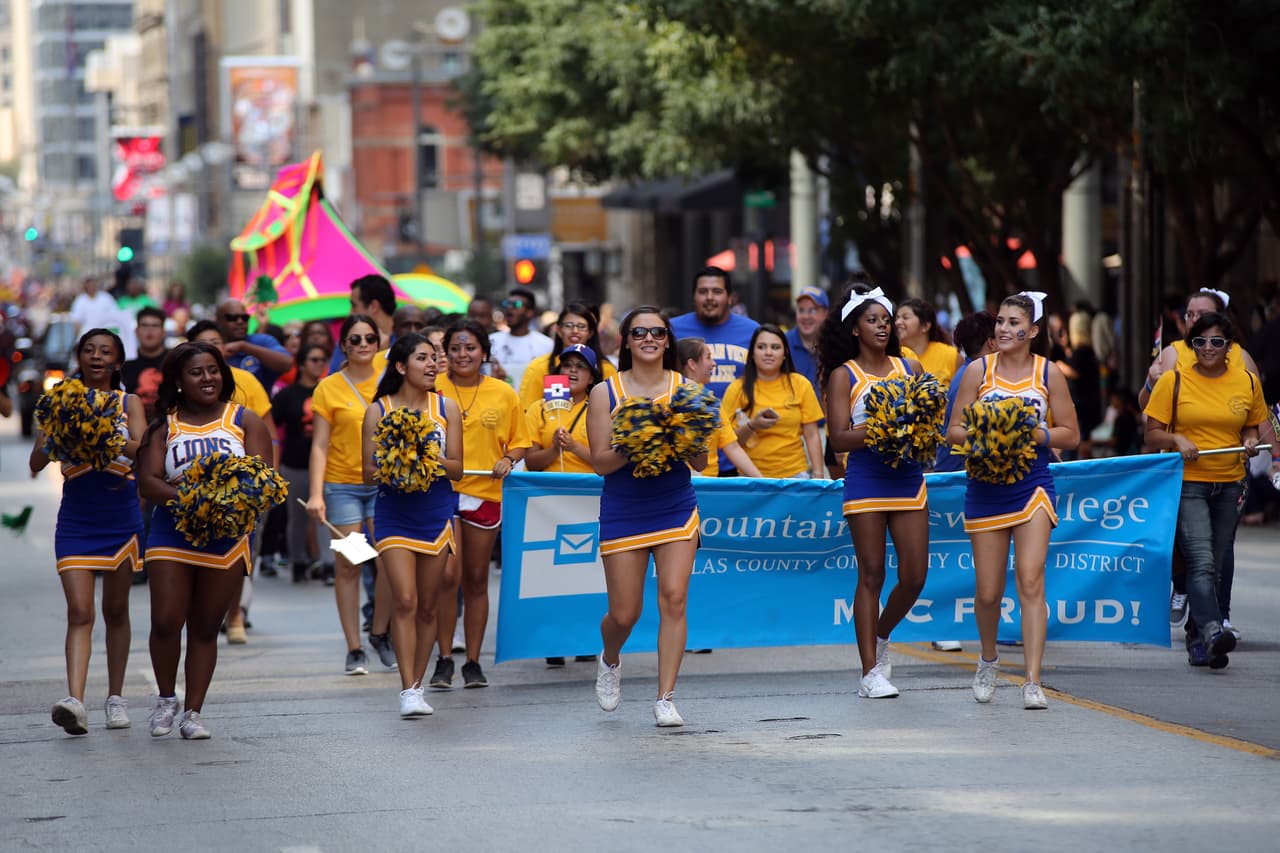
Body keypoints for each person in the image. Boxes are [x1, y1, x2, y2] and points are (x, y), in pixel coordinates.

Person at [946, 292, 1080, 710]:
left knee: (1030, 578)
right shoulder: (977, 371)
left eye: (1013, 322)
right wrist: (988, 434)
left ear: (1033, 331)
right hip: (985, 486)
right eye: (1000, 321)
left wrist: (1032, 433)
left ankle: (1032, 680)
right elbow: (952, 432)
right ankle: (988, 660)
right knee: (987, 593)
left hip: (1033, 484)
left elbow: (1071, 434)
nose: (1003, 329)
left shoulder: (1049, 372)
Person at [137, 342, 274, 739]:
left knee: (204, 627)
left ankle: (193, 712)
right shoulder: (165, 425)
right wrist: (192, 500)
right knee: (165, 621)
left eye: (213, 370)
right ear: (178, 382)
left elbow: (263, 478)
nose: (208, 378)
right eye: (197, 372)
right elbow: (148, 481)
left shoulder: (245, 420)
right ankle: (166, 699)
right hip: (172, 531)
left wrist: (227, 503)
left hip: (226, 538)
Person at [586, 306, 707, 727]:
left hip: (675, 504)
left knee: (674, 598)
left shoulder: (685, 387)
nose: (649, 338)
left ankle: (666, 697)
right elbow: (600, 462)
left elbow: (702, 460)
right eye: (640, 332)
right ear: (626, 340)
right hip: (624, 509)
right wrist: (639, 436)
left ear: (668, 340)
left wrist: (680, 433)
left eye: (658, 332)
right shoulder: (605, 392)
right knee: (625, 614)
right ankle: (610, 657)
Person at [31, 329, 145, 735]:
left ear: (117, 362)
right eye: (89, 350)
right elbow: (36, 460)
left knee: (116, 611)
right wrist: (60, 432)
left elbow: (143, 449)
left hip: (120, 515)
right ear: (79, 357)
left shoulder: (128, 402)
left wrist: (107, 433)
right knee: (80, 611)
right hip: (77, 519)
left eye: (106, 352)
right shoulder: (59, 401)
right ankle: (75, 701)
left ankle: (115, 698)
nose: (97, 357)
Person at [821, 287, 930, 698]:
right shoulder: (843, 375)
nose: (883, 326)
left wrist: (915, 429)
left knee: (915, 575)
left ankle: (881, 635)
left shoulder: (911, 367)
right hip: (866, 481)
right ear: (854, 329)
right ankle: (869, 671)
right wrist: (885, 425)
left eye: (886, 320)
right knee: (871, 574)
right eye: (873, 320)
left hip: (906, 478)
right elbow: (840, 438)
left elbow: (926, 425)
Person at [1143, 312, 1266, 670]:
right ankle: (1213, 630)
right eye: (1200, 342)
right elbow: (1152, 434)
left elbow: (1253, 427)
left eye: (1216, 342)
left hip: (1230, 483)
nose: (1208, 349)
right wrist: (1176, 437)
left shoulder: (1246, 381)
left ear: (1229, 347)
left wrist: (1249, 441)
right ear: (1190, 346)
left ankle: (1198, 637)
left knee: (1217, 562)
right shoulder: (1174, 382)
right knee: (1200, 561)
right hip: (1189, 482)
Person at [362, 334, 463, 717]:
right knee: (404, 600)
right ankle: (407, 689)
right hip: (394, 514)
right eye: (423, 358)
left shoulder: (446, 408)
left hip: (435, 513)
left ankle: (419, 685)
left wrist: (425, 456)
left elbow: (456, 468)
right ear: (401, 366)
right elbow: (367, 472)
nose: (433, 364)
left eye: (434, 358)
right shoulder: (379, 410)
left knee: (427, 607)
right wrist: (397, 462)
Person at [432, 320, 532, 688]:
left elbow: (521, 441)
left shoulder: (503, 393)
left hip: (485, 493)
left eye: (470, 348)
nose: (462, 355)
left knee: (475, 581)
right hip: (440, 492)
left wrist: (509, 459)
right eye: (455, 348)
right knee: (447, 578)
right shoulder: (431, 389)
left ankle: (472, 661)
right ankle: (444, 659)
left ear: (484, 353)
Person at [307, 315, 396, 674]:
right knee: (350, 564)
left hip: (384, 486)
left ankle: (379, 632)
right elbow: (320, 445)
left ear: (378, 342)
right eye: (355, 339)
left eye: (369, 339)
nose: (363, 345)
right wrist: (316, 494)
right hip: (342, 487)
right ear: (343, 345)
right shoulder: (328, 387)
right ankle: (354, 648)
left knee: (390, 560)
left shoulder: (390, 381)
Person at [187, 321, 280, 621]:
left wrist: (268, 481)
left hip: (241, 491)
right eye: (204, 343)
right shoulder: (178, 394)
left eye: (216, 342)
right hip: (191, 494)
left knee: (240, 552)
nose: (212, 349)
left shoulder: (246, 383)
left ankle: (236, 613)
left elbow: (269, 432)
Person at [720, 324, 824, 480]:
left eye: (775, 347)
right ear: (752, 353)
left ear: (785, 353)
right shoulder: (736, 389)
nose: (768, 353)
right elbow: (728, 443)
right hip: (750, 479)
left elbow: (812, 434)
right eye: (761, 347)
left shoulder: (800, 384)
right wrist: (752, 425)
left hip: (795, 476)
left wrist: (818, 475)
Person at [272, 343, 331, 583]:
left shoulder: (329, 391)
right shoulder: (288, 394)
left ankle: (328, 565)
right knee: (296, 517)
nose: (319, 365)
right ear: (302, 363)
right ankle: (298, 561)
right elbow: (272, 425)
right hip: (294, 464)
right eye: (314, 359)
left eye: (322, 360)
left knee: (324, 518)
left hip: (327, 464)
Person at [669, 266, 759, 400]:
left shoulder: (753, 331)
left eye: (717, 292)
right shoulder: (671, 329)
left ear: (730, 298)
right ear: (694, 296)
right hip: (683, 417)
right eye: (703, 292)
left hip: (740, 418)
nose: (709, 297)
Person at [676, 337, 761, 478]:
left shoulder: (711, 401)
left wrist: (763, 482)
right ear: (692, 364)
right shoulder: (670, 398)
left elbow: (732, 447)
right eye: (708, 358)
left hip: (709, 487)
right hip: (678, 488)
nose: (714, 364)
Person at [517, 301, 619, 410]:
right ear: (559, 330)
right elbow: (526, 412)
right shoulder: (539, 367)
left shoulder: (605, 369)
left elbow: (614, 412)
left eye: (581, 326)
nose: (575, 331)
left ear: (590, 333)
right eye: (569, 325)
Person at [524, 344, 599, 476]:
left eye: (580, 366)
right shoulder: (538, 408)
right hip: (546, 490)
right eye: (567, 365)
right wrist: (554, 449)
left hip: (589, 491)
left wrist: (574, 447)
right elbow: (530, 463)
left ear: (591, 378)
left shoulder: (600, 409)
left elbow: (607, 462)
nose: (573, 370)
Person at [214, 299, 292, 394]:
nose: (240, 321)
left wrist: (244, 347)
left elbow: (287, 364)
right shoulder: (210, 345)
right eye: (232, 318)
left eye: (245, 317)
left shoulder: (262, 340)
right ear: (218, 320)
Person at [327, 274, 398, 373]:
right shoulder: (348, 341)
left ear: (373, 306)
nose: (350, 313)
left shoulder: (404, 339)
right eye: (356, 340)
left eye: (354, 306)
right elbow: (334, 383)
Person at [1055, 310, 1101, 459]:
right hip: (1088, 401)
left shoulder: (1081, 351)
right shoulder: (1088, 351)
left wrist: (1059, 366)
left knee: (1076, 441)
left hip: (1081, 402)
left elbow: (1075, 372)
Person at [489, 287, 553, 386]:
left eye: (516, 305)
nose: (510, 308)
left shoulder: (546, 344)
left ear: (530, 312)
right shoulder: (492, 341)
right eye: (507, 304)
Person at [895, 297, 963, 389]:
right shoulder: (893, 356)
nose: (898, 322)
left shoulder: (951, 355)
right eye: (897, 318)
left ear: (925, 326)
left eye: (905, 317)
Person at [122, 307, 169, 425]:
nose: (149, 331)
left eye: (155, 326)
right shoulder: (124, 365)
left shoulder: (175, 362)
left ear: (163, 332)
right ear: (136, 331)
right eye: (145, 325)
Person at [785, 286, 829, 400]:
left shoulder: (834, 346)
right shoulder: (782, 344)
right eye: (801, 310)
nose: (806, 316)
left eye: (812, 310)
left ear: (825, 313)